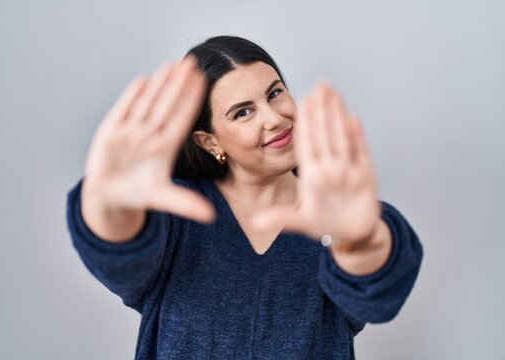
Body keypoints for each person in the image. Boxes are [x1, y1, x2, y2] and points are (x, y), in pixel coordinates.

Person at [65, 35, 423, 359]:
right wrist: (108, 204)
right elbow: (118, 249)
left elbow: (377, 288)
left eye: (275, 93)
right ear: (210, 141)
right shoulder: (176, 216)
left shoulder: (332, 211)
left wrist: (357, 241)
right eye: (243, 112)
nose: (275, 118)